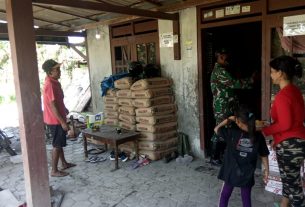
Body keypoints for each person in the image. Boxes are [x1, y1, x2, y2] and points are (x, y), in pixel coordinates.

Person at [262, 55, 305, 207]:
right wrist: (277, 138)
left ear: (280, 73)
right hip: (296, 141)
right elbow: (292, 122)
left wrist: (265, 131)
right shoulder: (295, 91)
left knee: (294, 187)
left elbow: (285, 124)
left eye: (272, 71)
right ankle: (284, 205)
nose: (271, 74)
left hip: (290, 146)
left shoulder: (283, 96)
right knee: (289, 180)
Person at [214, 104, 269, 207]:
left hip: (231, 171)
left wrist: (228, 119)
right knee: (246, 199)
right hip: (247, 173)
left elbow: (216, 129)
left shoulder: (232, 132)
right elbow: (264, 154)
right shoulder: (258, 136)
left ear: (238, 122)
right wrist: (267, 170)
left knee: (225, 196)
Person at [210, 48, 254, 165]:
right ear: (220, 57)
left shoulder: (223, 69)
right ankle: (214, 157)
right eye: (225, 56)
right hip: (222, 106)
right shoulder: (220, 71)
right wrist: (251, 81)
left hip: (227, 105)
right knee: (219, 128)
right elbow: (234, 83)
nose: (227, 59)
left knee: (227, 128)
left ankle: (221, 155)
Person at [42, 59, 76, 177]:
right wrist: (62, 122)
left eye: (59, 69)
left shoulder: (55, 82)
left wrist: (64, 109)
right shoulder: (50, 84)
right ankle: (54, 170)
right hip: (54, 120)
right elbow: (53, 106)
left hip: (57, 118)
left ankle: (64, 163)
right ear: (50, 72)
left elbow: (58, 101)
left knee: (59, 143)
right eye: (57, 70)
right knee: (57, 145)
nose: (59, 71)